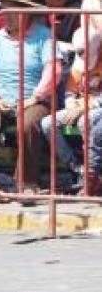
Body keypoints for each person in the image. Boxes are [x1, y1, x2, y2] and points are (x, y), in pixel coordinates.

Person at [0, 0, 59, 202]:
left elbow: (53, 71)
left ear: (27, 11)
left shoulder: (44, 35)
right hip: (2, 100)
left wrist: (33, 98)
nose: (6, 14)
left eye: (12, 8)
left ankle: (26, 184)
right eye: (4, 8)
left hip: (35, 100)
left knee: (26, 124)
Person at [41, 29, 102, 185]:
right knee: (48, 123)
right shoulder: (78, 63)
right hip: (78, 106)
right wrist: (70, 105)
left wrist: (82, 108)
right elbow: (70, 91)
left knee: (85, 122)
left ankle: (93, 173)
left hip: (95, 107)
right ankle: (76, 166)